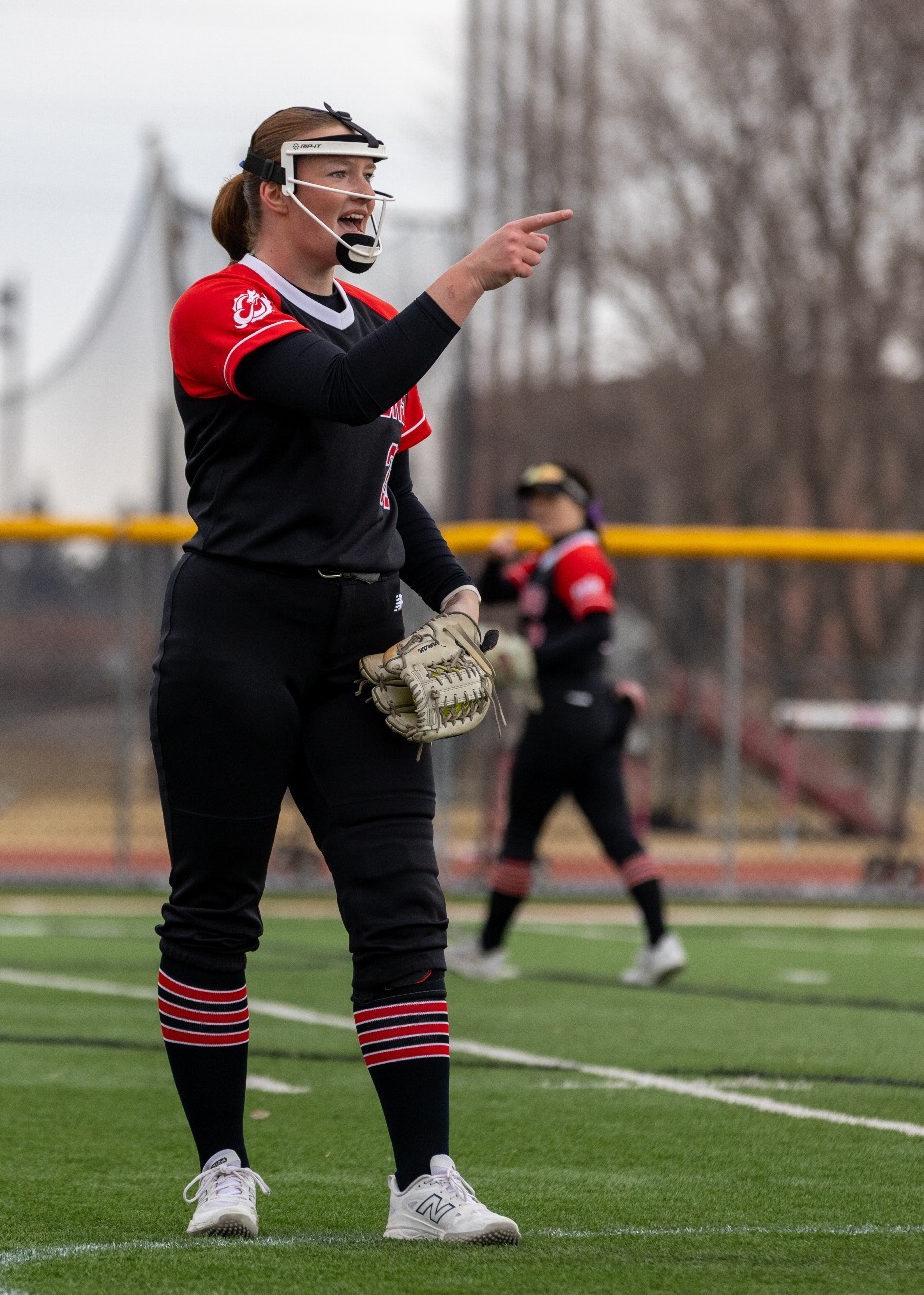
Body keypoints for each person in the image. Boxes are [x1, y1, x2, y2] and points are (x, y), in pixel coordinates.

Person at [156, 103, 567, 1244]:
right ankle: (225, 1165)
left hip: (357, 644)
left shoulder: (382, 318)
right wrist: (470, 280)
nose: (356, 190)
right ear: (271, 190)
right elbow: (337, 390)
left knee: (400, 911)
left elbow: (388, 484)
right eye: (332, 171)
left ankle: (421, 1180)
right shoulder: (221, 303)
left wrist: (453, 589)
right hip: (232, 633)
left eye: (365, 173)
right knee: (212, 910)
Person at [444, 464, 686, 987]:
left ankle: (487, 950)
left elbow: (598, 626)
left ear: (579, 502)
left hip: (563, 711)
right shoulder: (547, 559)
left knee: (522, 831)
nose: (539, 506)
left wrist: (533, 655)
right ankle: (661, 941)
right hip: (588, 714)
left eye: (552, 497)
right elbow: (494, 592)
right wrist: (494, 561)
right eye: (533, 497)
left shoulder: (578, 556)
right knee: (617, 834)